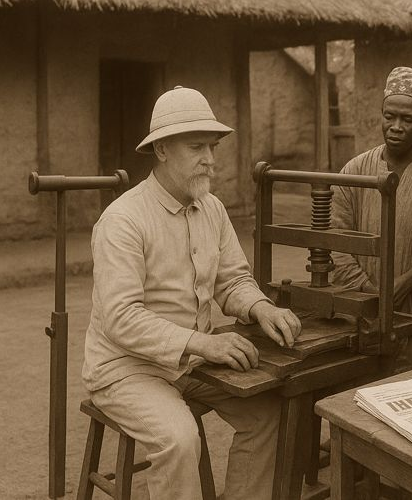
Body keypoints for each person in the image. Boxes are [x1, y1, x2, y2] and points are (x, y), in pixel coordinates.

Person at [83, 86, 302, 500]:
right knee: (180, 439)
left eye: (213, 147)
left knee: (267, 412)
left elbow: (232, 279)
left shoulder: (211, 208)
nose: (210, 159)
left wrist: (259, 307)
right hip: (125, 368)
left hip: (191, 364)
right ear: (162, 150)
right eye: (196, 147)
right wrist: (204, 343)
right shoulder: (123, 220)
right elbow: (121, 318)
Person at [330, 66, 412, 366]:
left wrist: (407, 281)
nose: (396, 126)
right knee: (356, 390)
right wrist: (372, 291)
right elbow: (337, 241)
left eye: (407, 119)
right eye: (389, 116)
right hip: (358, 305)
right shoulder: (354, 171)